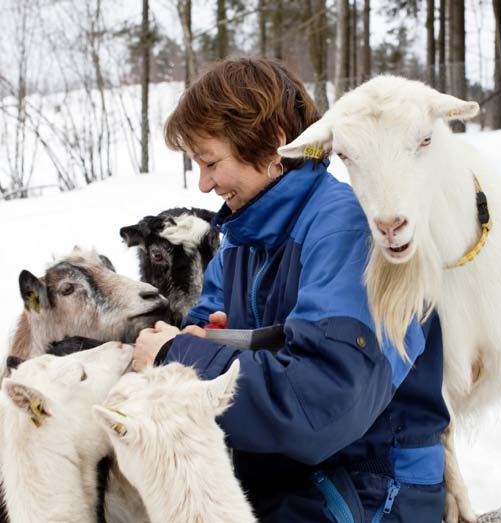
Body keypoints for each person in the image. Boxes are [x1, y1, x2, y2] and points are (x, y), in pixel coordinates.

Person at [133, 57, 449, 523]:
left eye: (210, 162)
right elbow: (204, 325)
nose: (203, 185)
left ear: (275, 141)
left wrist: (179, 358)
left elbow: (320, 407)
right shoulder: (241, 241)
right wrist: (203, 340)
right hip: (293, 481)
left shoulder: (346, 229)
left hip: (371, 487)